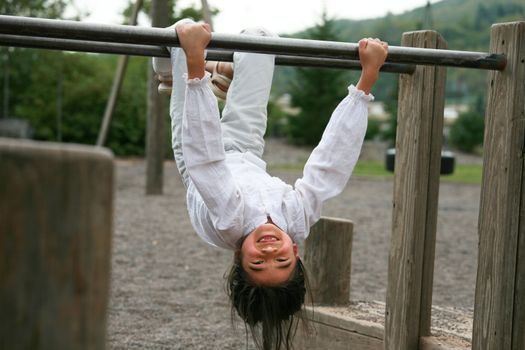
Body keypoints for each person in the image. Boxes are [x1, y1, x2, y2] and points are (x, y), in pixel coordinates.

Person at [153, 19, 388, 350]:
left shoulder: (229, 220)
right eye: (282, 261)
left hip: (197, 151)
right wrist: (367, 80)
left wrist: (193, 65)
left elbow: (205, 158)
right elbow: (331, 165)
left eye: (257, 263)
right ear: (294, 250)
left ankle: (178, 72)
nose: (269, 252)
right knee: (259, 40)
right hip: (245, 148)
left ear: (238, 256)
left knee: (180, 35)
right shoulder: (296, 220)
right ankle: (214, 70)